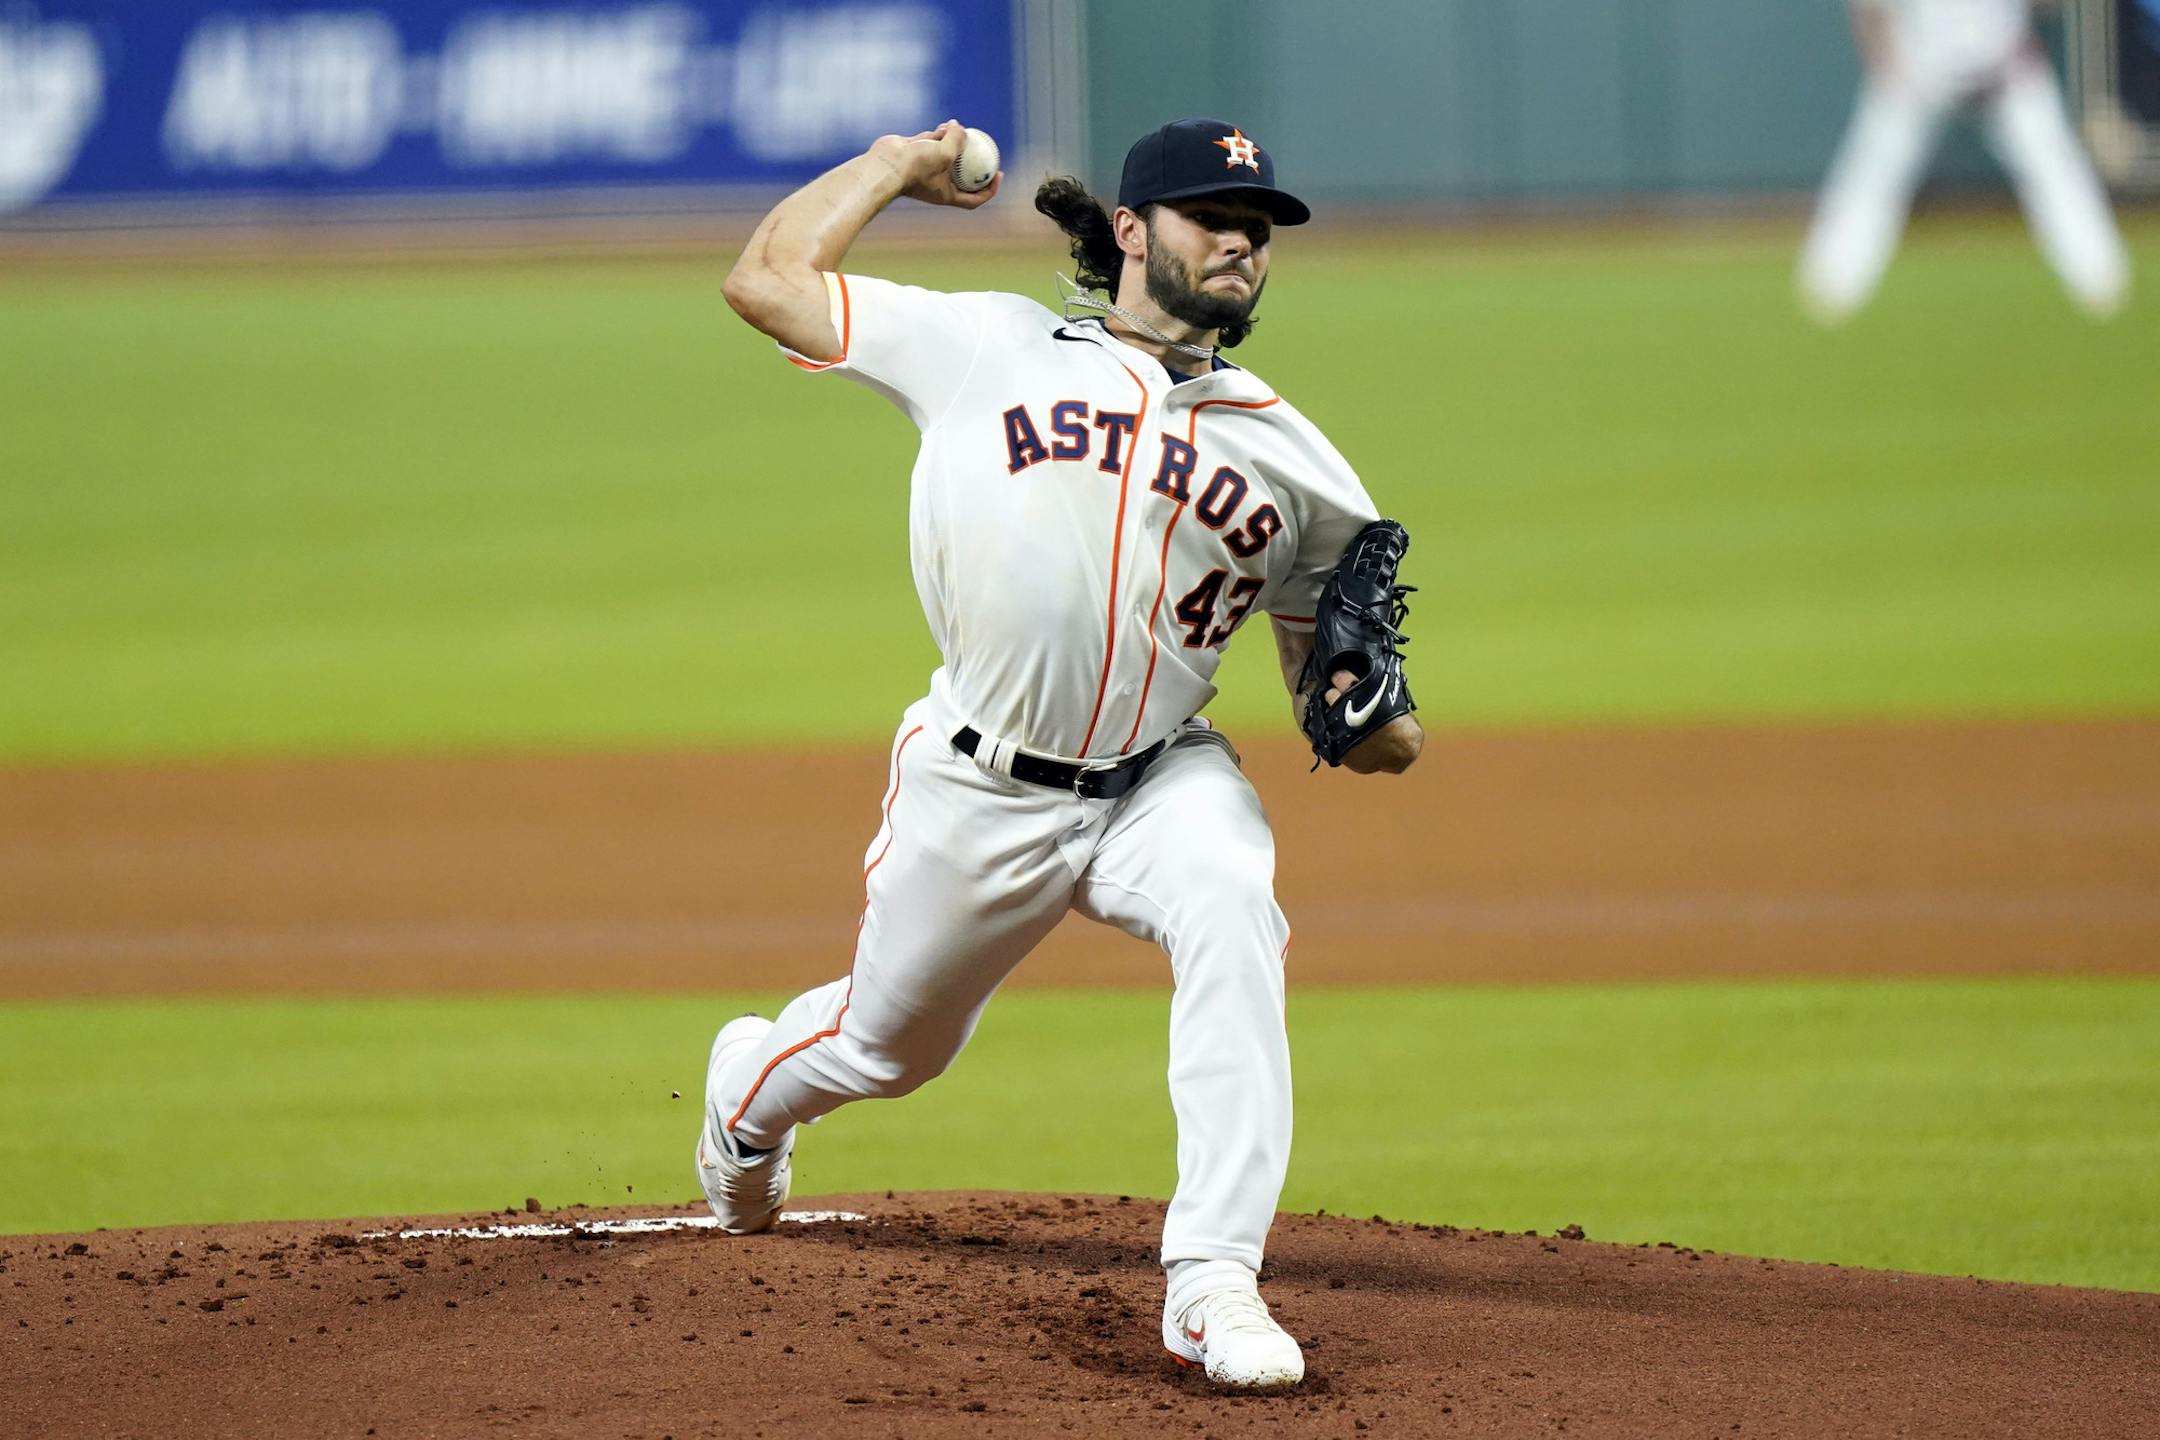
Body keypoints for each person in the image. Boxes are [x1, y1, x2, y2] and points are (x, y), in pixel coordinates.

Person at [701, 115, 1422, 1390]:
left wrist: (1377, 718)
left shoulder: (1304, 468)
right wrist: (893, 167)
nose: (1244, 246)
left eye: (1259, 231)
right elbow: (765, 283)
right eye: (1216, 220)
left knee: (1233, 907)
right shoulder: (987, 343)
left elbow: (1355, 717)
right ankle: (748, 1101)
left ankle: (1212, 1283)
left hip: (1164, 778)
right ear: (1134, 233)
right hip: (980, 784)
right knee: (887, 1050)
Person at [1798, 0, 2131, 320]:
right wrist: (1885, 61)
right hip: (1919, 71)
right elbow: (1869, 9)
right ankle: (1833, 280)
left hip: (2005, 68)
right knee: (1872, 171)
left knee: (2056, 166)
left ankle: (2099, 276)